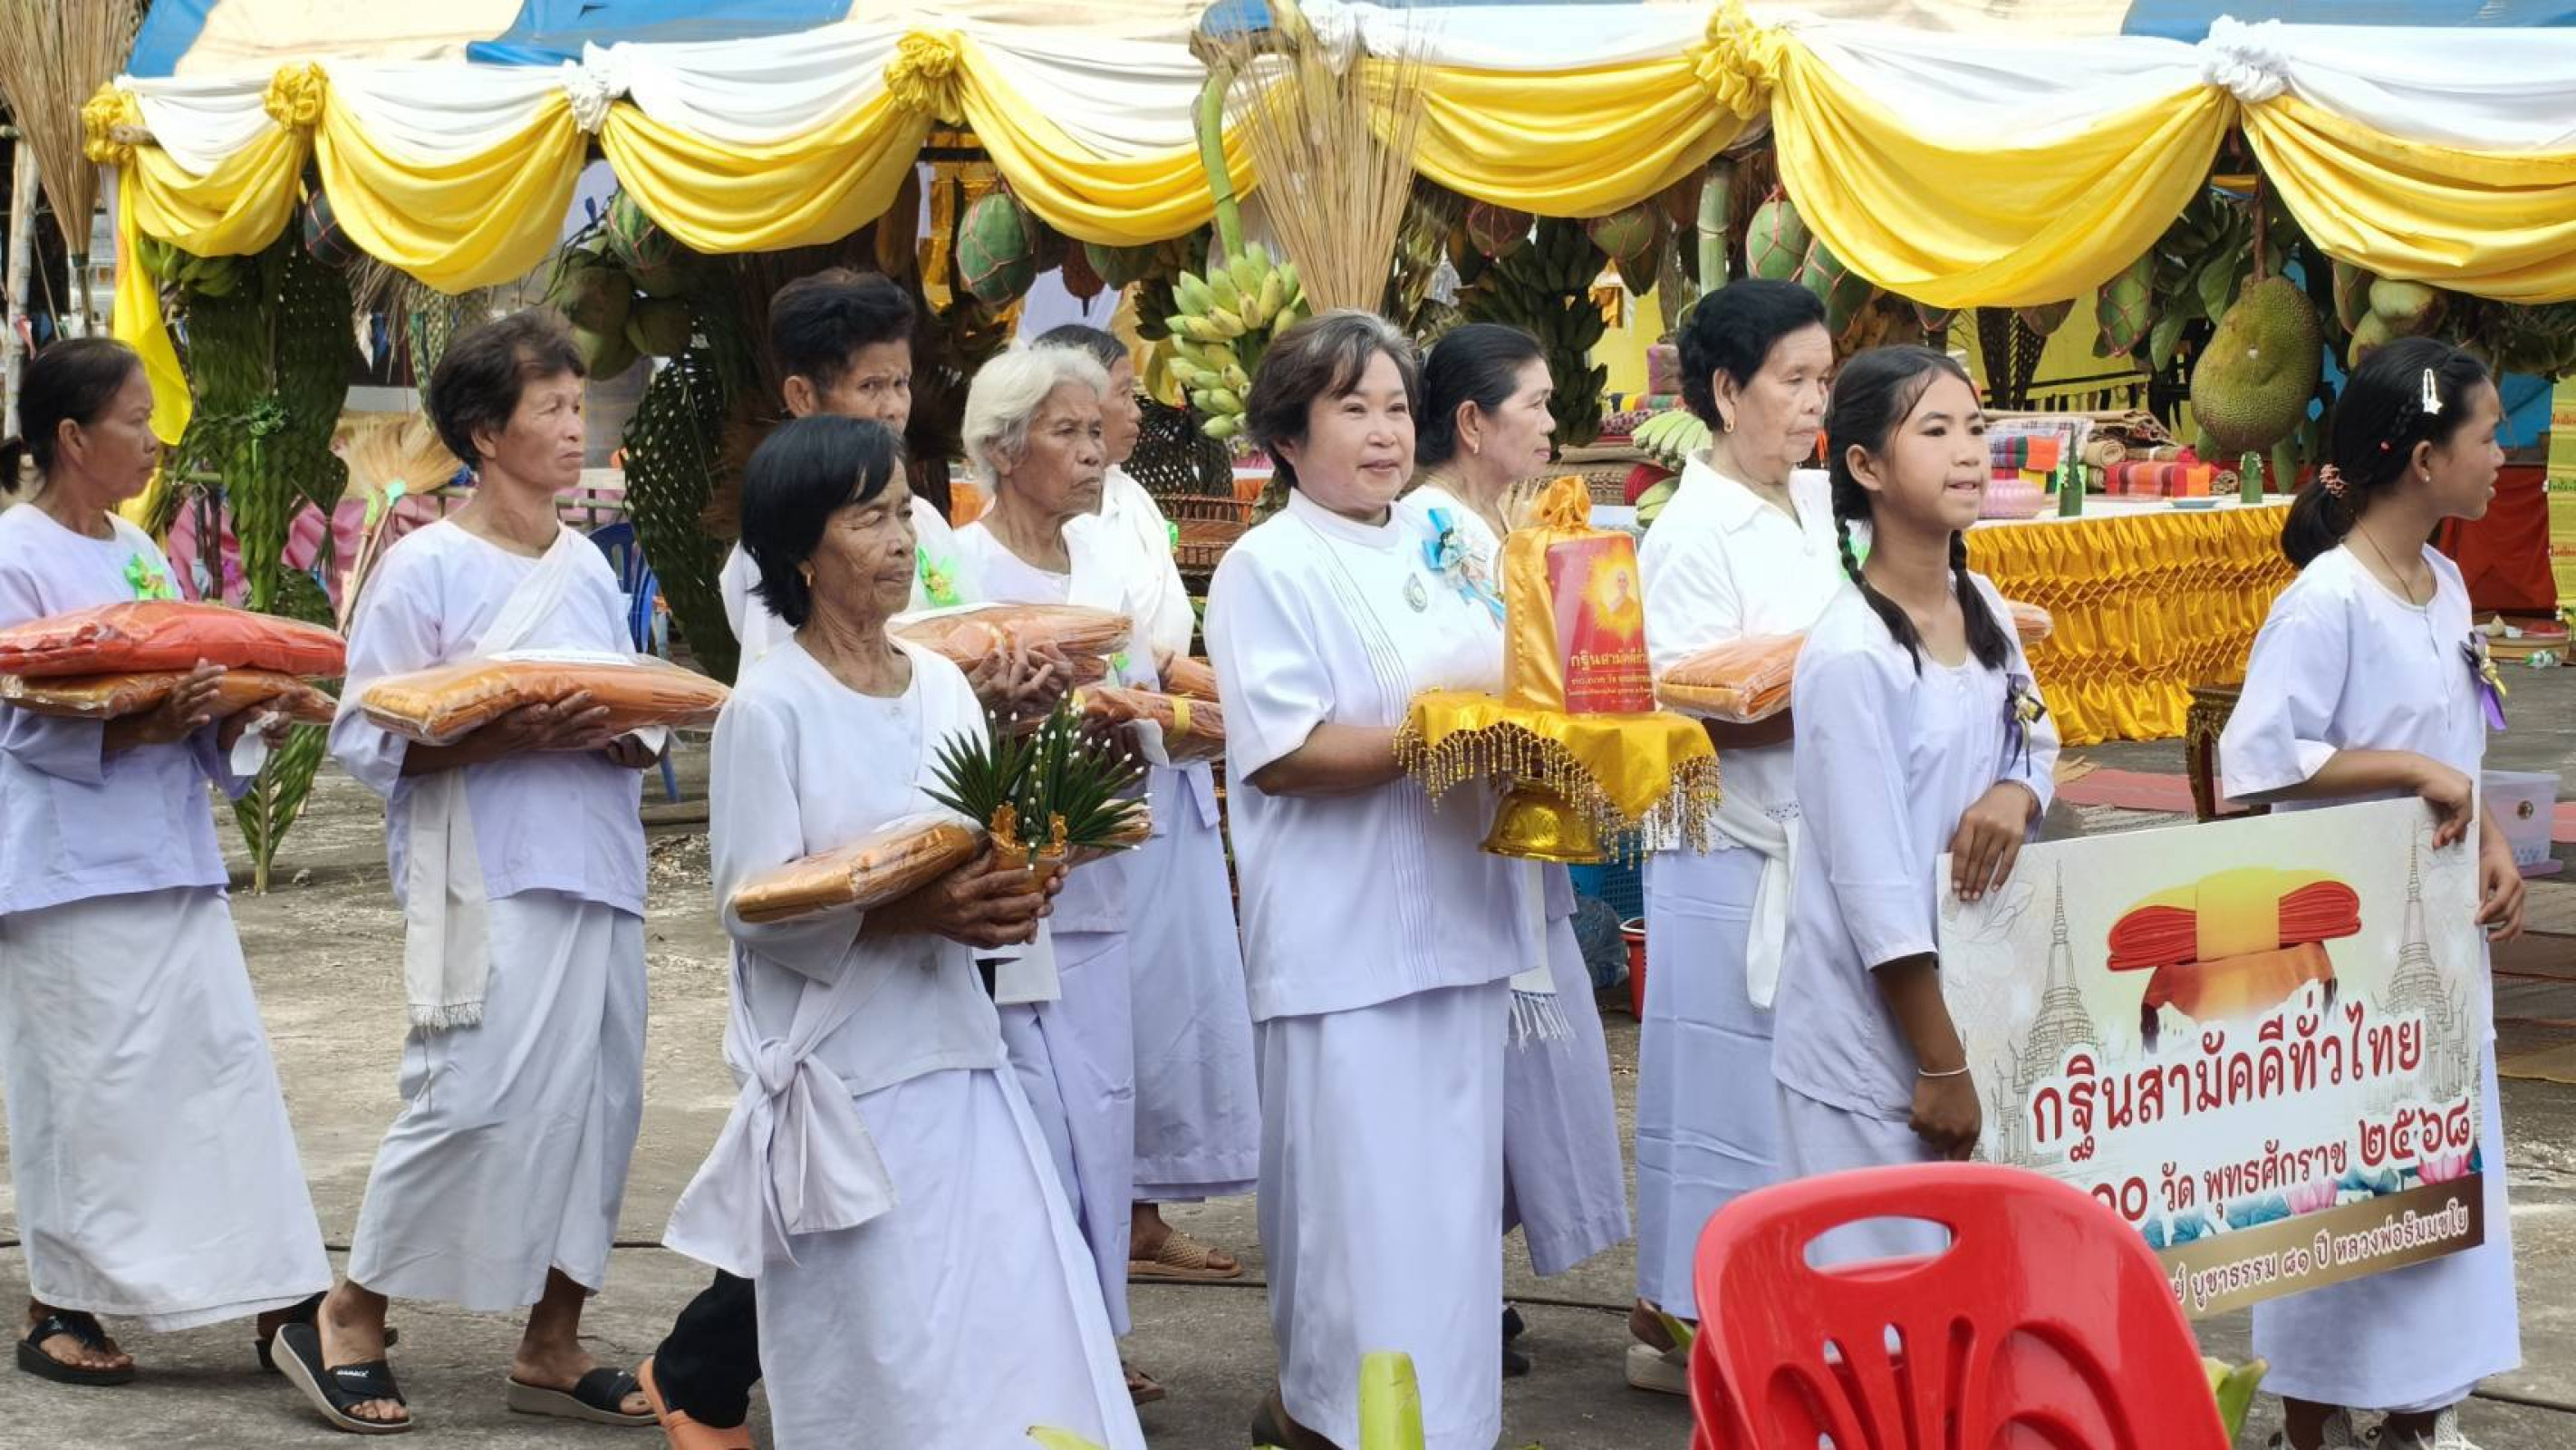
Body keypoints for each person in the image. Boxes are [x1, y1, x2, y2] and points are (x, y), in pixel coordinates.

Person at [665, 414, 1143, 1449]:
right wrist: (906, 910)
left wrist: (1019, 881)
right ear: (799, 547)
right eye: (864, 518)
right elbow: (748, 905)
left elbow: (974, 839)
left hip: (959, 1060)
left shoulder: (936, 684)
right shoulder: (769, 707)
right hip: (846, 1080)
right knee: (882, 1341)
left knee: (1003, 1318)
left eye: (900, 515)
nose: (895, 542)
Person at [282, 312, 661, 1434]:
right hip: (489, 869)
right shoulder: (425, 564)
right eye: (548, 407)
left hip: (598, 857)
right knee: (469, 1098)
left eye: (574, 403)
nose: (571, 425)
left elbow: (631, 709)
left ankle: (552, 1336)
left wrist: (622, 728)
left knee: (601, 1104)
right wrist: (502, 732)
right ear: (485, 434)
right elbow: (367, 732)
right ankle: (346, 1314)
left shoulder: (588, 563)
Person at [1207, 311, 1535, 1450]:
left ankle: (1448, 1430)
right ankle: (1326, 1422)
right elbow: (1283, 750)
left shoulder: (1447, 538)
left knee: (1445, 1226)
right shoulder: (1267, 565)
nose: (1384, 430)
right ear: (1288, 438)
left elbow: (1523, 678)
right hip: (1341, 948)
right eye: (1351, 407)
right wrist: (1439, 740)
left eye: (1396, 405)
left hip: (1461, 925)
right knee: (1355, 1223)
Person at [0, 338, 328, 1387]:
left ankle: (269, 1290)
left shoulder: (141, 549)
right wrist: (139, 728)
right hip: (65, 871)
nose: (155, 440)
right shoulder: (12, 554)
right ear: (71, 436)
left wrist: (249, 712)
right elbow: (18, 716)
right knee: (84, 1093)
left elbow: (190, 698)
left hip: (168, 861)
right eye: (137, 421)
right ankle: (61, 1302)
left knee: (218, 1079)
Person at [2217, 338, 2523, 1450]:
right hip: (2340, 952)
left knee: (2436, 1168)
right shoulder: (2324, 601)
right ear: (2425, 459)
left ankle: (2417, 1405)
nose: (2505, 453)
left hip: (2434, 934)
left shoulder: (2439, 583)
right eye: (2488, 435)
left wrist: (2484, 829)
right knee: (2340, 1182)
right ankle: (2307, 1417)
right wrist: (2407, 772)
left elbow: (2455, 738)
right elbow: (2260, 760)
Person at [1768, 344, 2057, 1263]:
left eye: (1974, 427)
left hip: (1976, 999)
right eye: (1933, 431)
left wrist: (2014, 793)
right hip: (1877, 1041)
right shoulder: (1852, 656)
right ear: (1864, 466)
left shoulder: (1985, 611)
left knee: (1968, 1296)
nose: (1967, 451)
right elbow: (1872, 888)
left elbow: (2035, 740)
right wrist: (1940, 1062)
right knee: (1880, 1311)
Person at [1626, 280, 1838, 1391]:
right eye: (1791, 381)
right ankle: (1688, 1313)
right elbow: (1697, 697)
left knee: (1799, 1094)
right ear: (1723, 390)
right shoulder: (1688, 532)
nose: (1814, 404)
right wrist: (1867, 689)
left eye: (1822, 380)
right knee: (1715, 1086)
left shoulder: (1815, 499)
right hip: (1729, 845)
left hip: (1814, 838)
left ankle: (1769, 1308)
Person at [1410, 323, 1630, 1377]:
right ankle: (1450, 1281)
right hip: (1460, 844)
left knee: (1527, 1076)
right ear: (1469, 420)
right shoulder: (1425, 533)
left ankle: (1470, 1274)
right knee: (1474, 1079)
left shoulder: (1510, 524)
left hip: (1523, 837)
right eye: (1535, 404)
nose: (1552, 423)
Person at [951, 345, 1168, 1403]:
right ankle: (1031, 1343)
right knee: (1026, 1119)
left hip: (1103, 876)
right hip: (1005, 890)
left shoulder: (1107, 559)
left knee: (1099, 1111)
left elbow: (1144, 692)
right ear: (1001, 448)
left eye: (1095, 432)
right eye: (1066, 434)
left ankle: (1091, 1335)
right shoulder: (952, 569)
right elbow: (939, 730)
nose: (1092, 454)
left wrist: (1144, 730)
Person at [1035, 324, 1259, 1286]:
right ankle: (1102, 1221)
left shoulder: (1126, 501)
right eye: (1113, 396)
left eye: (1116, 402)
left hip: (1166, 752)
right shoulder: (1062, 526)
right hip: (1107, 781)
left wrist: (1226, 695)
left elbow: (1161, 648)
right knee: (1109, 1009)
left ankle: (1139, 1208)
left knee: (1166, 1000)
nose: (1127, 414)